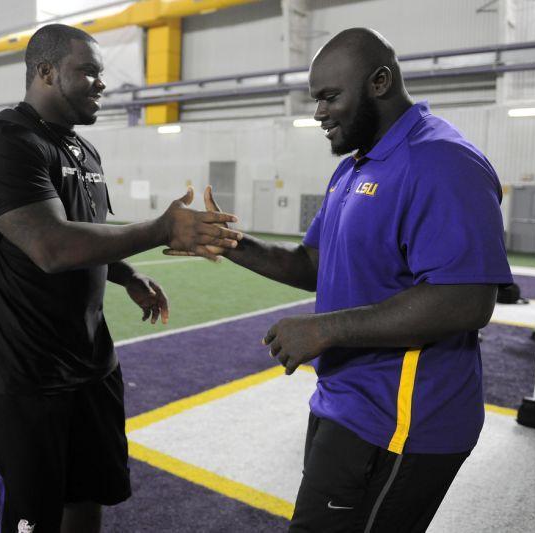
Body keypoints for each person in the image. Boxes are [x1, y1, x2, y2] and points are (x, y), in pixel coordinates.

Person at [182, 28, 513, 532]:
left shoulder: (442, 162)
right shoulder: (355, 166)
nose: (318, 113)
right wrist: (232, 245)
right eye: (317, 99)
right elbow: (315, 263)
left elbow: (466, 301)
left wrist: (324, 329)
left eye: (330, 96)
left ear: (380, 81)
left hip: (404, 421)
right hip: (347, 402)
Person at [0, 24, 242, 533]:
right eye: (87, 71)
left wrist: (127, 273)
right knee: (18, 521)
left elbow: (88, 232)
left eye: (101, 73)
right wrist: (160, 228)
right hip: (22, 376)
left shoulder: (83, 151)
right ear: (44, 72)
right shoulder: (5, 143)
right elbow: (50, 245)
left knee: (86, 495)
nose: (101, 84)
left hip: (89, 363)